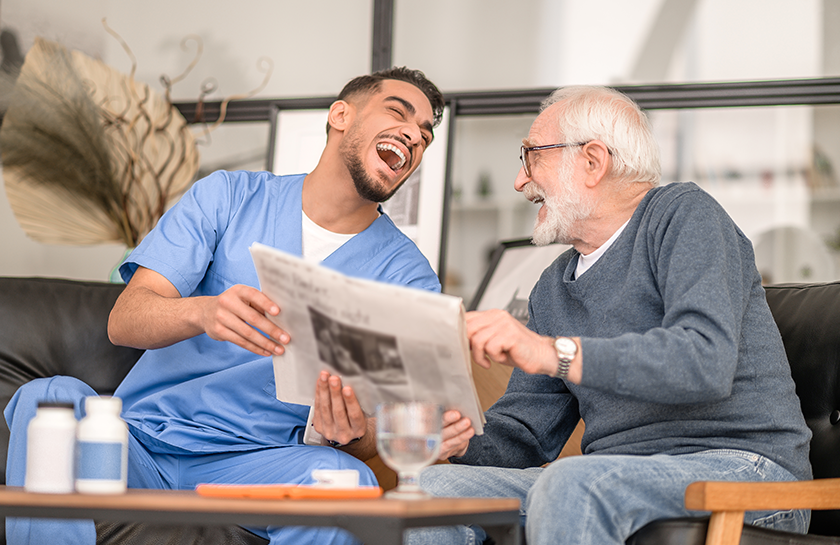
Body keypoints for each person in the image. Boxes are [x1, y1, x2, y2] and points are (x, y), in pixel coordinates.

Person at [5, 66, 446, 545]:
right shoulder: (229, 198)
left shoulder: (409, 276)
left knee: (344, 483)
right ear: (341, 115)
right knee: (47, 401)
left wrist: (354, 431)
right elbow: (125, 320)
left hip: (256, 466)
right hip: (138, 446)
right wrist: (203, 312)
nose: (413, 136)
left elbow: (388, 426)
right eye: (398, 113)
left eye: (425, 134)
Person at [408, 85, 812, 545]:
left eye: (531, 157)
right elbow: (523, 434)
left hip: (744, 472)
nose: (520, 182)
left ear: (593, 161)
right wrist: (459, 439)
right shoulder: (553, 286)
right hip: (619, 478)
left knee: (574, 483)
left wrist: (548, 352)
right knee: (431, 492)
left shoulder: (683, 215)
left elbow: (704, 360)